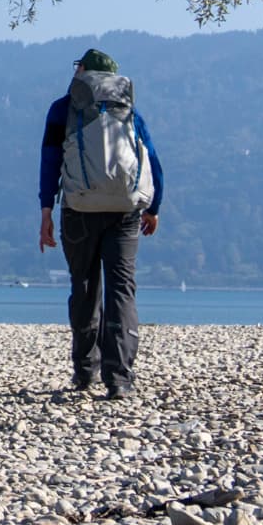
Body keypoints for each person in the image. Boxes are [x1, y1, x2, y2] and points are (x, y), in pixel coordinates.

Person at [37, 47, 163, 397]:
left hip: (77, 210)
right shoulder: (128, 111)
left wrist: (46, 210)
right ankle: (119, 378)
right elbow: (150, 158)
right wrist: (154, 207)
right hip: (125, 211)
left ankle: (85, 372)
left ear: (83, 73)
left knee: (85, 286)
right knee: (121, 289)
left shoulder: (63, 109)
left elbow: (50, 161)